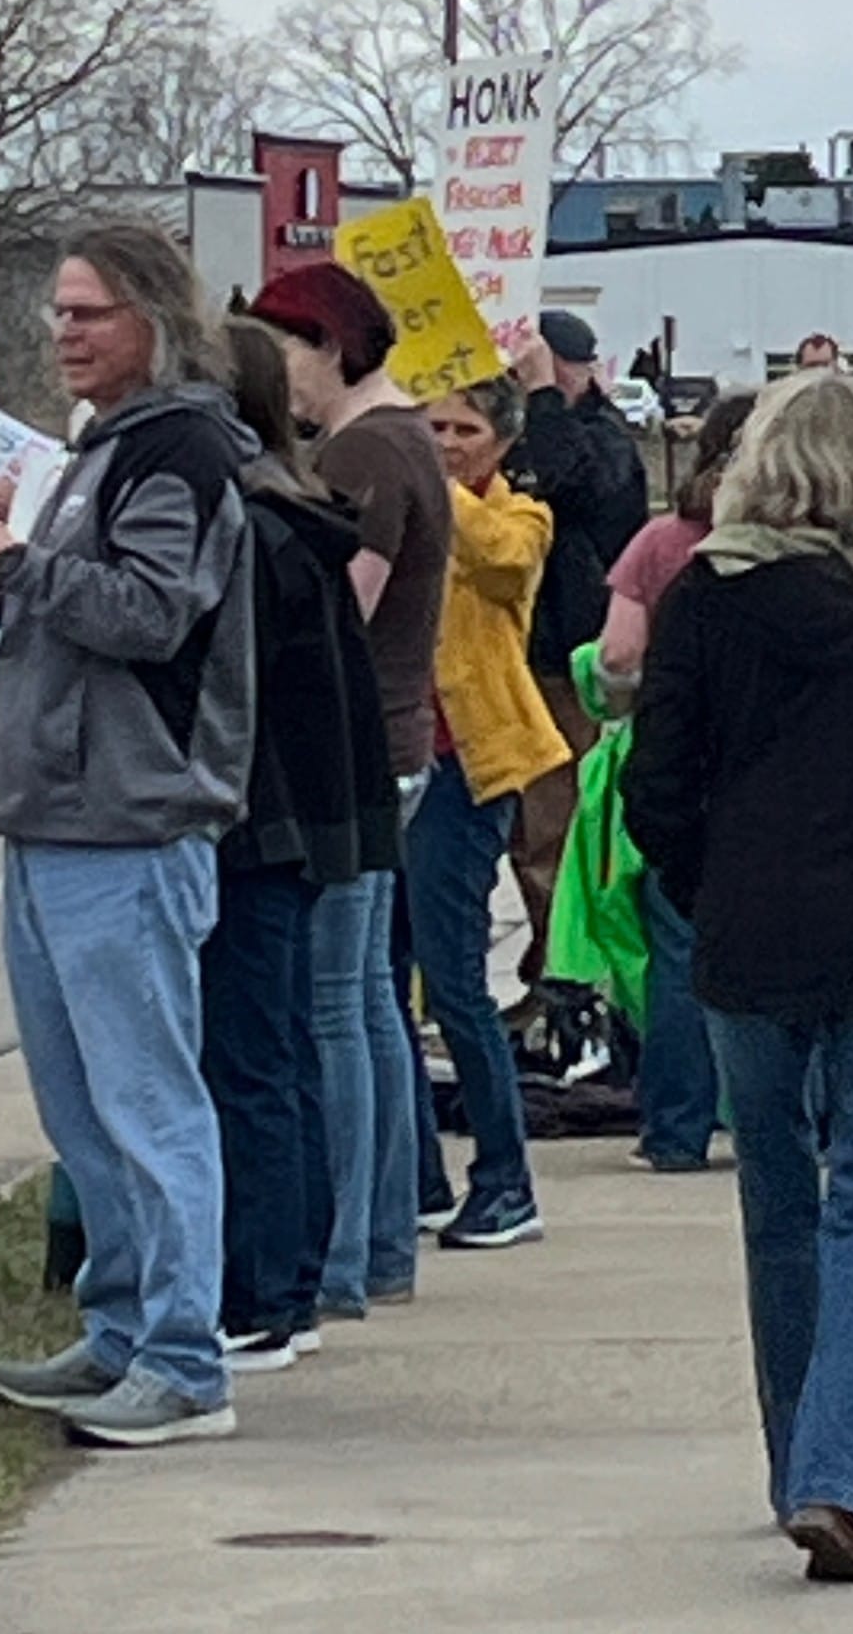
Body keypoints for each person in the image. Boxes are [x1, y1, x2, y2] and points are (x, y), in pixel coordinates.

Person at [623, 369, 853, 1584]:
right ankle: (838, 1476)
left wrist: (702, 881)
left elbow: (656, 788)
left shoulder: (704, 599)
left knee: (776, 1200)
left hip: (747, 931)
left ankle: (799, 1456)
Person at [0, 222, 255, 1447]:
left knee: (146, 1100)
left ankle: (185, 1357)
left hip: (129, 819)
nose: (65, 334)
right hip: (55, 815)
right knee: (82, 1107)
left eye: (88, 313)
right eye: (59, 315)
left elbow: (147, 613)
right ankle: (126, 1324)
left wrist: (10, 557)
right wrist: (17, 546)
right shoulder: (105, 451)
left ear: (151, 317)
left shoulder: (178, 452)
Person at [204, 319, 400, 1371]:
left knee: (259, 1053)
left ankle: (265, 1290)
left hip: (258, 806)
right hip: (316, 804)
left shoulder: (252, 526)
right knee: (298, 1041)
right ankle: (310, 1272)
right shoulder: (301, 510)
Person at [251, 263, 446, 1309]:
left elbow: (341, 611)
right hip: (400, 736)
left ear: (329, 345)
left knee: (336, 1004)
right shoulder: (410, 434)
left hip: (361, 739)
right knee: (366, 998)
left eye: (283, 349)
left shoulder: (365, 449)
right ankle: (377, 1242)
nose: (279, 376)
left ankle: (344, 1254)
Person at [408, 375, 567, 1247]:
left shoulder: (518, 517)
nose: (442, 442)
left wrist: (433, 487)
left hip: (470, 766)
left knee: (455, 977)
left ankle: (506, 1178)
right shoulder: (397, 502)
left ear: (499, 444)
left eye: (462, 430)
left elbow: (502, 565)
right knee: (379, 982)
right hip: (393, 763)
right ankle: (416, 1172)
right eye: (429, 426)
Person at [600, 391, 757, 1172]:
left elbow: (615, 659)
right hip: (766, 763)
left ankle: (674, 1127)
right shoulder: (790, 542)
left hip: (677, 758)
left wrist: (631, 707)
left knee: (676, 946)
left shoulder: (661, 543)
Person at [504, 311, 648, 988]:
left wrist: (540, 399)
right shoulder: (520, 432)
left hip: (570, 656)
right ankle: (547, 970)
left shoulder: (605, 439)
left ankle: (572, 979)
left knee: (559, 831)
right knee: (527, 832)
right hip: (519, 654)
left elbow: (568, 479)